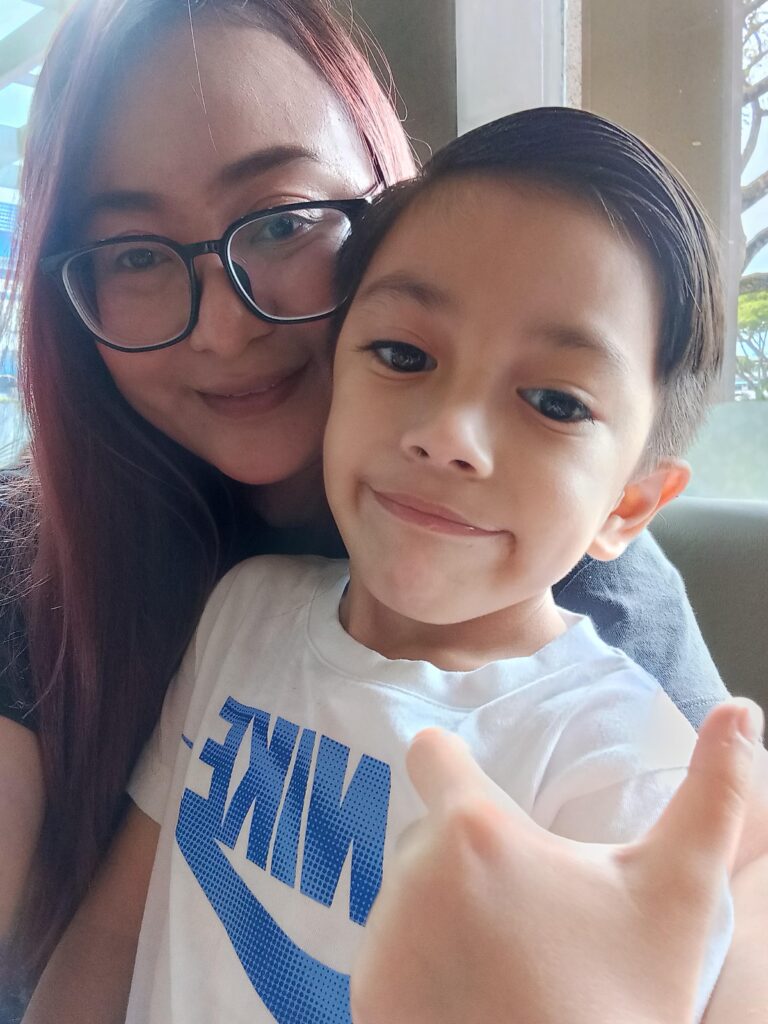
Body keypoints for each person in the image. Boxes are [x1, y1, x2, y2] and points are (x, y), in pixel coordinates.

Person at [0, 0, 762, 1011]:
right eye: (135, 252)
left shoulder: (608, 724)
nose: (222, 330)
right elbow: (110, 938)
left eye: (280, 219)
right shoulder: (205, 601)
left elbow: (722, 917)